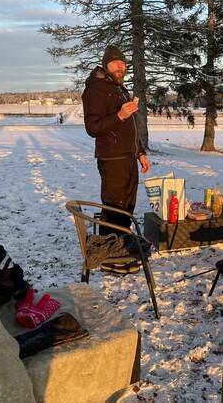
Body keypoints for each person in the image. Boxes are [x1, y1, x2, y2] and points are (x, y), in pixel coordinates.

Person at [82, 45, 150, 274]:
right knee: (113, 209)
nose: (121, 66)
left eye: (124, 63)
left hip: (128, 157)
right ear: (106, 64)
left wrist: (140, 152)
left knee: (127, 207)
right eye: (116, 63)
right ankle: (109, 258)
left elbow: (130, 126)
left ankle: (121, 252)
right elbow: (92, 128)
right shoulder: (96, 89)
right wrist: (120, 114)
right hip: (112, 159)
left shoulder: (118, 88)